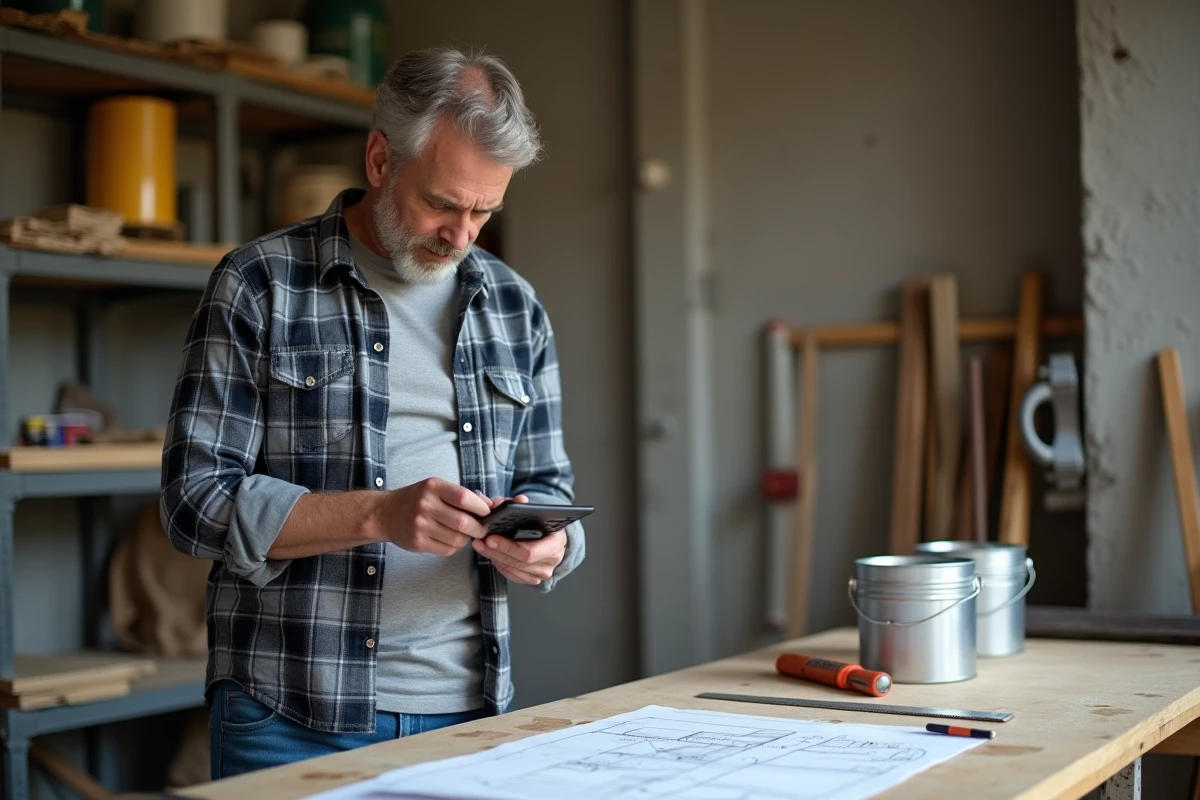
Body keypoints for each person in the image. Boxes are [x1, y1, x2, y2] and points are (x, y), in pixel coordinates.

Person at [159, 46, 585, 779]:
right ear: (381, 160)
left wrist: (549, 547)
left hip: (471, 713)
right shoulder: (259, 284)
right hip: (288, 712)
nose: (462, 235)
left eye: (485, 210)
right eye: (443, 204)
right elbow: (193, 503)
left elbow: (551, 487)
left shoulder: (515, 305)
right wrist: (377, 515)